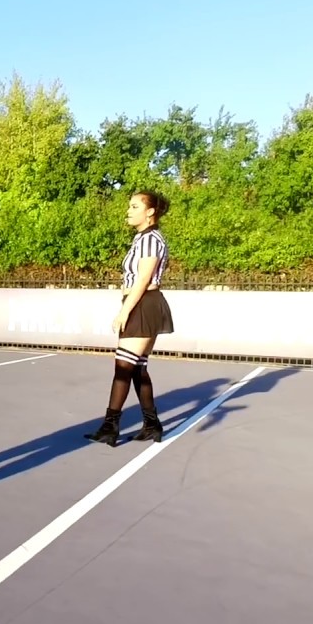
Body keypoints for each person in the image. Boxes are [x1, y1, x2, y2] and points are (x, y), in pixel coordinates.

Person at [85, 190, 174, 446]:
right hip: (142, 303)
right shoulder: (142, 238)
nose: (128, 211)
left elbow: (143, 279)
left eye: (135, 206)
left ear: (150, 212)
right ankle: (151, 424)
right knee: (136, 367)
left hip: (144, 303)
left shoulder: (150, 239)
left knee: (123, 367)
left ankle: (110, 427)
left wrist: (124, 311)